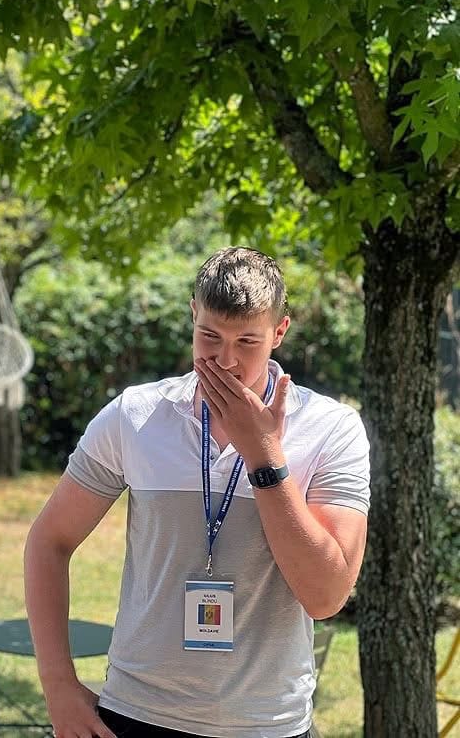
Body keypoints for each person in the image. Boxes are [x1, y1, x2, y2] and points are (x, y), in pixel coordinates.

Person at [24, 247, 369, 738]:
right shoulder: (135, 415)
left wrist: (265, 457)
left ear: (279, 332)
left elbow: (326, 596)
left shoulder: (331, 428)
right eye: (209, 335)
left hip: (267, 724)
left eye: (247, 340)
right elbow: (49, 540)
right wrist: (58, 684)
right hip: (138, 714)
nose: (225, 361)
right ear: (192, 315)